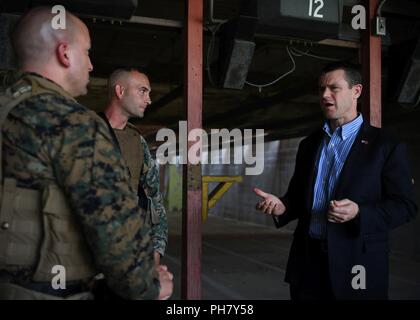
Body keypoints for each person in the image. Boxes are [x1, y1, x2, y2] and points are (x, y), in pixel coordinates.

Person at [0, 6, 172, 300]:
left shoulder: (8, 108)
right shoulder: (74, 123)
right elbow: (116, 228)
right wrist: (149, 286)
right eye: (87, 52)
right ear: (65, 54)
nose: (92, 65)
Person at [254, 61, 417, 300]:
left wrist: (359, 212)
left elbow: (405, 206)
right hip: (307, 262)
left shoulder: (386, 146)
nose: (325, 95)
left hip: (357, 262)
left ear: (356, 91)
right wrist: (282, 206)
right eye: (321, 89)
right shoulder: (309, 144)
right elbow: (298, 197)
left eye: (334, 88)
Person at [100, 68, 168, 266]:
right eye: (142, 91)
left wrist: (156, 252)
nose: (149, 100)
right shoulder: (82, 132)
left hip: (128, 255)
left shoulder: (137, 142)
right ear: (120, 91)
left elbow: (155, 201)